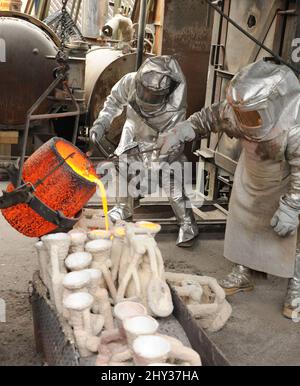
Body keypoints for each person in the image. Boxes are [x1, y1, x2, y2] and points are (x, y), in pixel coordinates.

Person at [158, 59, 300, 319]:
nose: (242, 121)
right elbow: (207, 118)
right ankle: (244, 271)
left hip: (287, 179)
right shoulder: (239, 110)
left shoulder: (295, 122)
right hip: (252, 172)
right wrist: (180, 132)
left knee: (294, 236)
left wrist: (292, 206)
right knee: (245, 221)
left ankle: (296, 289)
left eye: (250, 116)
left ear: (272, 105)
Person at [90, 55, 199, 247]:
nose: (146, 97)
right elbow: (114, 101)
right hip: (133, 127)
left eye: (153, 95)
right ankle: (123, 207)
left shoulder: (175, 108)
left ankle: (187, 223)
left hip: (163, 140)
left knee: (169, 175)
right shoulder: (130, 81)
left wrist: (149, 171)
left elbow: (166, 147)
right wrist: (102, 123)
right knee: (122, 163)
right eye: (143, 91)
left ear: (166, 92)